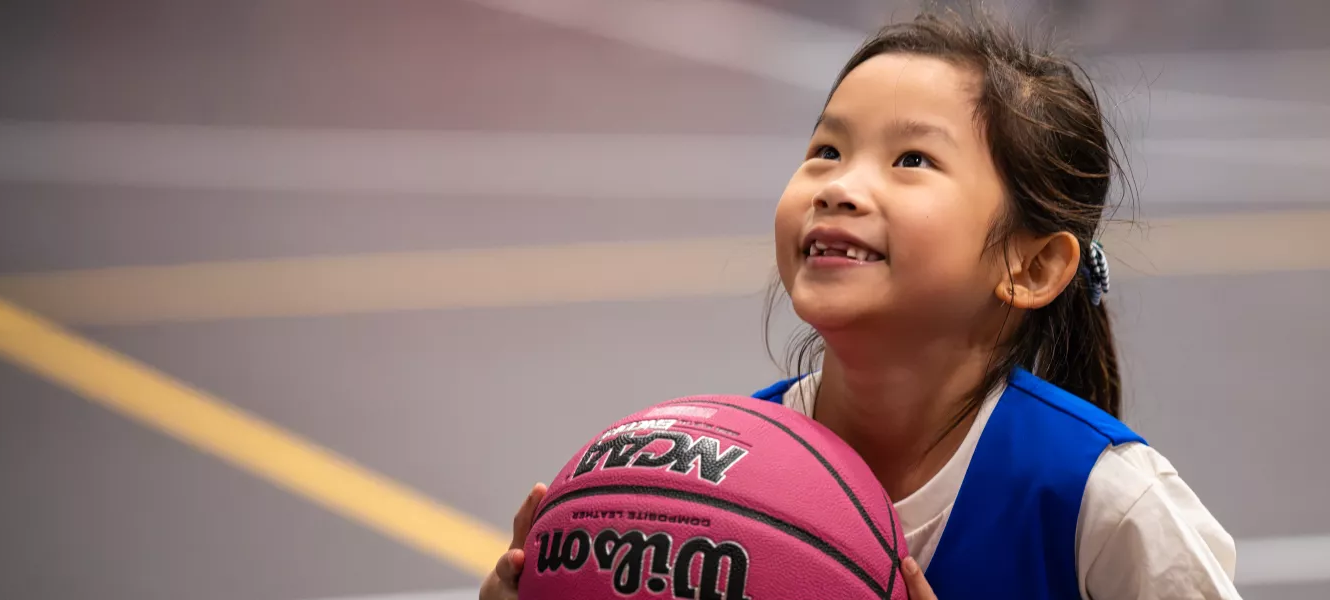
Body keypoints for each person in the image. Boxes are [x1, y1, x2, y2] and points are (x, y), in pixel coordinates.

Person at [481, 10, 1241, 600]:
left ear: (1031, 264)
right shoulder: (721, 480)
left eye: (911, 159)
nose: (839, 185)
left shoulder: (1105, 502)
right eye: (826, 150)